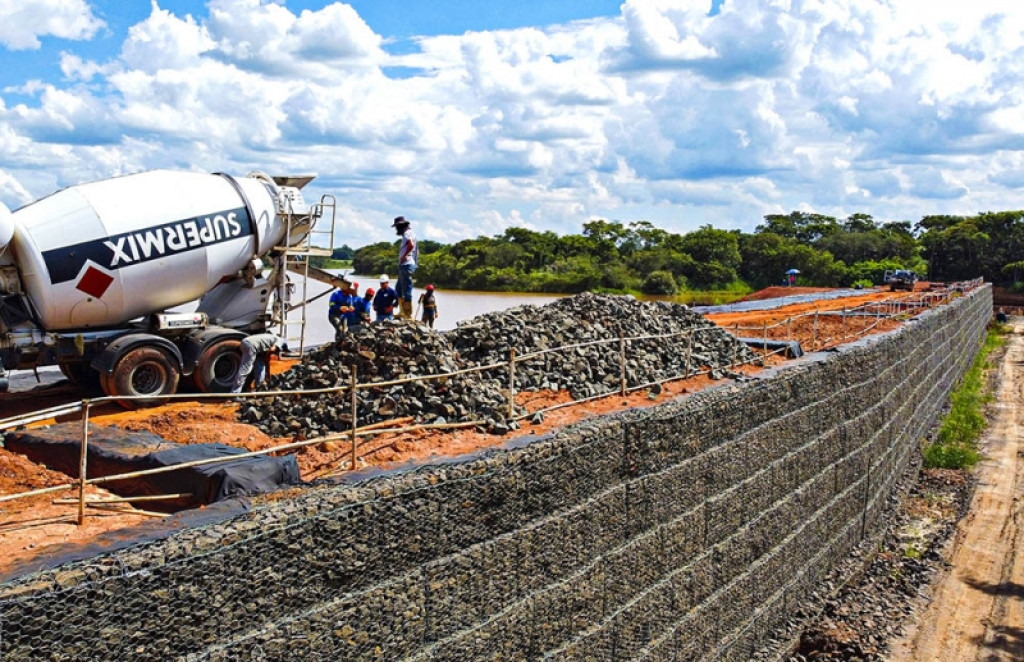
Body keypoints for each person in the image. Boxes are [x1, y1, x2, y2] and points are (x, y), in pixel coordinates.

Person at [391, 216, 418, 318]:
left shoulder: (407, 234)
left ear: (401, 226)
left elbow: (410, 245)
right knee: (398, 289)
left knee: (406, 289)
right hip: (405, 265)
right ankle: (402, 311)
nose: (396, 229)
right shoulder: (410, 233)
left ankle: (407, 313)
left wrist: (404, 256)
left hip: (406, 264)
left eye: (397, 227)